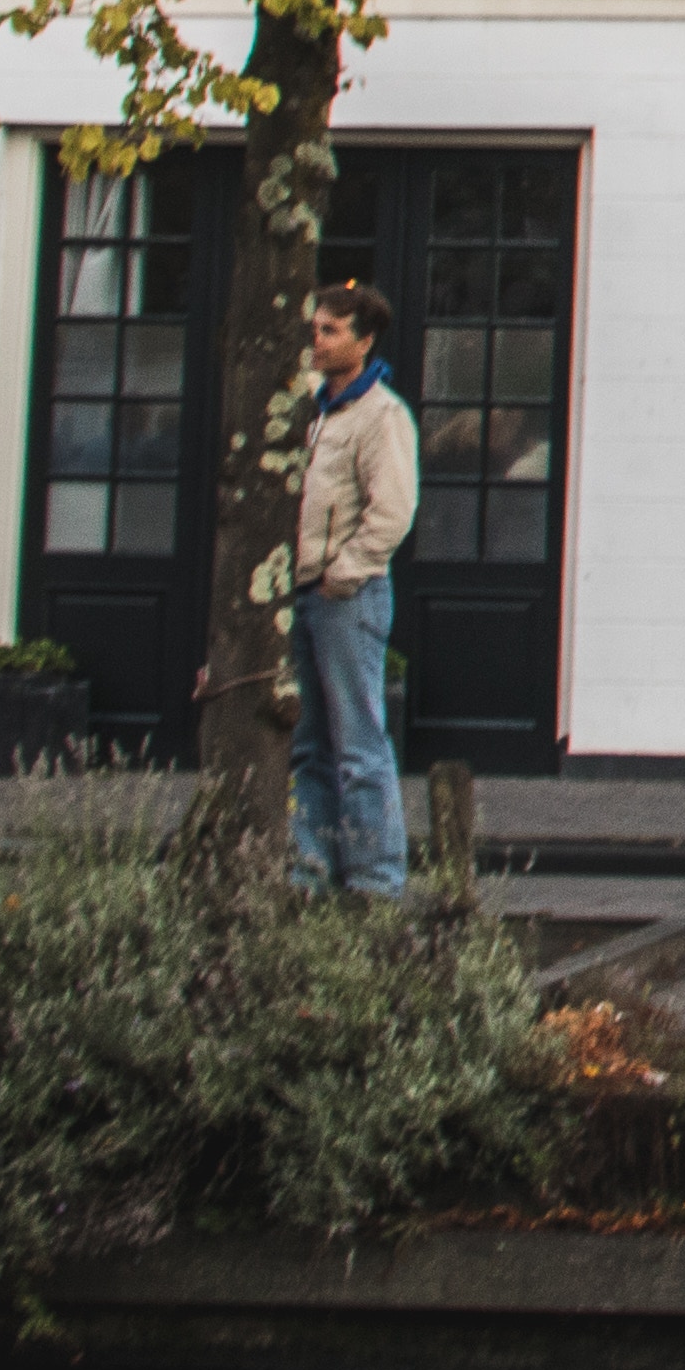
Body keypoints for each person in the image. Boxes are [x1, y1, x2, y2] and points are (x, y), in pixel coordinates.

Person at [287, 281, 422, 905]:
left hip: (345, 594)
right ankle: (309, 868)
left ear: (364, 342)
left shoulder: (381, 416)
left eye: (332, 330)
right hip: (302, 589)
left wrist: (343, 572)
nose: (317, 339)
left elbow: (392, 511)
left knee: (359, 741)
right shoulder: (309, 410)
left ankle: (376, 877)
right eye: (315, 328)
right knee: (307, 740)